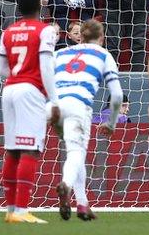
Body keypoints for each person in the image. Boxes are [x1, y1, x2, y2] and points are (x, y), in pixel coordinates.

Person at [0, 0, 59, 224]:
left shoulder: (8, 31)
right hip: (30, 90)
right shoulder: (45, 31)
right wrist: (53, 99)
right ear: (39, 8)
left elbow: (2, 70)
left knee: (12, 149)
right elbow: (46, 66)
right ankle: (22, 210)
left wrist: (17, 74)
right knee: (30, 149)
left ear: (18, 9)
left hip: (9, 89)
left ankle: (11, 210)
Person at [52, 19, 124, 221]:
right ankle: (65, 185)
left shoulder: (60, 53)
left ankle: (82, 204)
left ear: (80, 36)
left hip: (53, 106)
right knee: (76, 153)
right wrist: (111, 123)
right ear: (101, 38)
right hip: (78, 105)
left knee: (75, 152)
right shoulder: (103, 54)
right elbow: (117, 96)